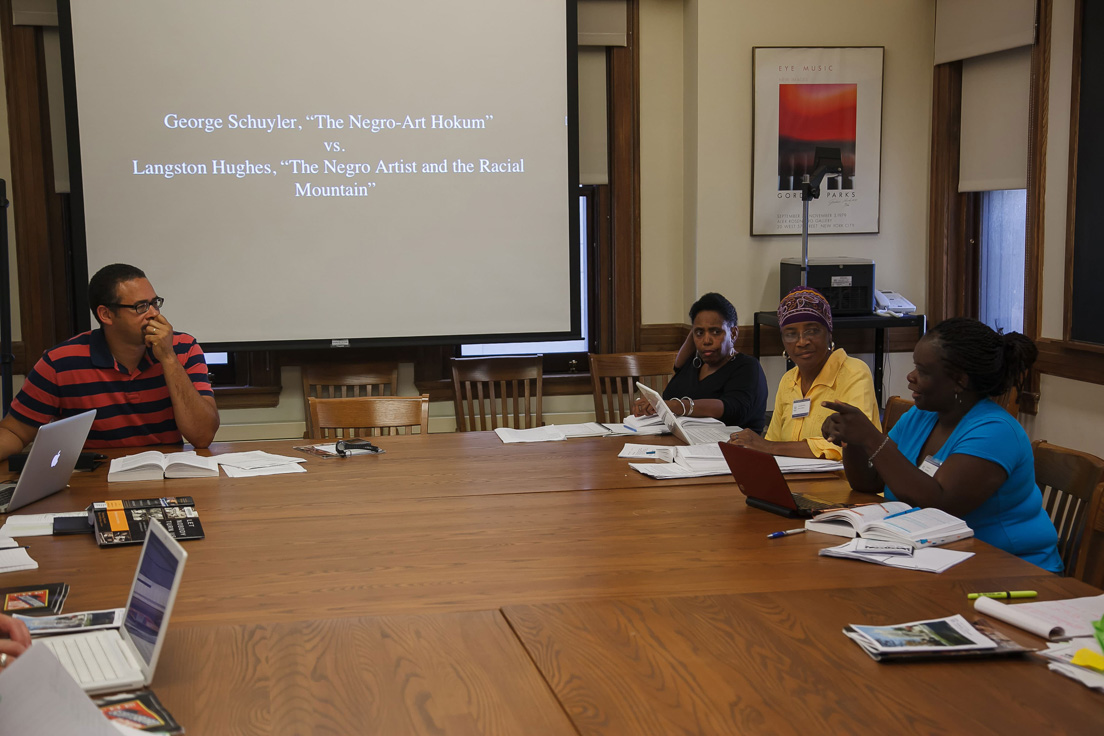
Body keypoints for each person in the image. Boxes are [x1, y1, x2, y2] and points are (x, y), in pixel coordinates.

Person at [821, 317, 1061, 572]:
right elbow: (868, 482)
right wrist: (853, 439)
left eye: (923, 371)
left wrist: (871, 437)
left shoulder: (995, 431)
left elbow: (940, 506)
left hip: (1013, 571)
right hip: (937, 559)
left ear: (960, 380)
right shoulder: (921, 415)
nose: (910, 376)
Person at [0, 264, 220, 461]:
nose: (154, 314)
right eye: (141, 307)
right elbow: (15, 432)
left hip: (165, 476)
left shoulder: (183, 348)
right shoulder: (60, 362)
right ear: (106, 315)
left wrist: (169, 359)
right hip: (91, 481)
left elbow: (202, 436)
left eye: (155, 303)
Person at [729, 287, 879, 459]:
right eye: (791, 334)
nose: (802, 342)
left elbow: (850, 443)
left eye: (812, 331)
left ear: (829, 333)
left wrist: (767, 446)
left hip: (841, 482)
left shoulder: (854, 373)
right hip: (793, 479)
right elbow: (772, 441)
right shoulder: (788, 380)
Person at [633, 292, 767, 433]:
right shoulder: (694, 362)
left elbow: (732, 409)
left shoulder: (748, 367)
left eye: (716, 332)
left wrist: (674, 405)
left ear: (733, 334)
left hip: (732, 449)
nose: (706, 341)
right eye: (699, 333)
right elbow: (669, 396)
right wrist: (654, 406)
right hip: (684, 446)